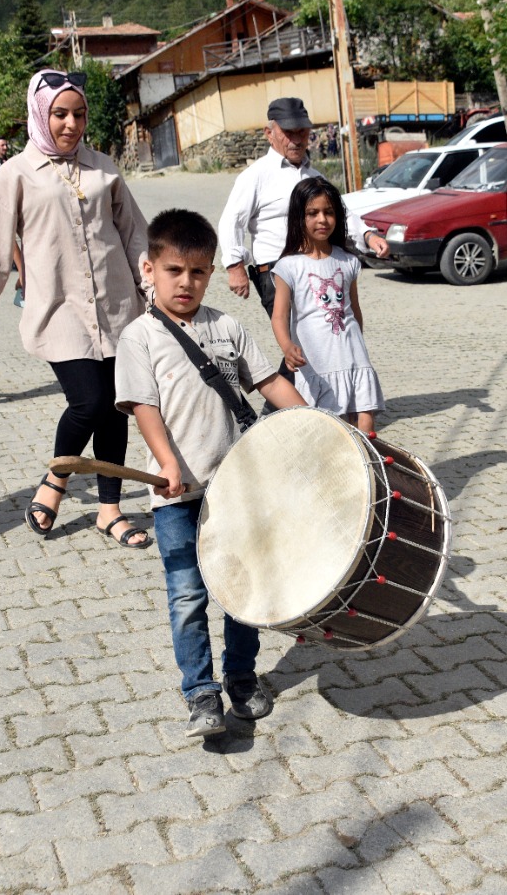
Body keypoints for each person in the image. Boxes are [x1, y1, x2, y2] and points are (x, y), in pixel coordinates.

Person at [0, 70, 154, 549]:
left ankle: (109, 510)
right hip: (60, 310)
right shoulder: (14, 175)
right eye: (60, 114)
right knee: (88, 402)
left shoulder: (103, 168)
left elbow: (134, 234)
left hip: (117, 306)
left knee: (117, 407)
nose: (71, 123)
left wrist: (155, 287)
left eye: (79, 114)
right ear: (39, 114)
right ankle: (56, 479)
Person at [114, 209, 307, 737]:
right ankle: (200, 693)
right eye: (174, 270)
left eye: (198, 272)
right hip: (176, 495)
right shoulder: (138, 338)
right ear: (147, 269)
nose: (186, 282)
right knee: (188, 594)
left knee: (242, 588)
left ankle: (241, 678)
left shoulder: (227, 326)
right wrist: (169, 462)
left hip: (238, 485)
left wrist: (316, 427)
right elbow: (145, 407)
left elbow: (269, 383)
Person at [220, 97, 388, 317]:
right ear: (269, 133)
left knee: (321, 337)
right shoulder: (255, 176)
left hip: (316, 269)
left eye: (302, 132)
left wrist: (368, 236)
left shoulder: (315, 176)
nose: (296, 140)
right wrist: (235, 267)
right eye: (288, 132)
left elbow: (342, 214)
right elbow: (231, 221)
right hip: (276, 272)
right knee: (297, 343)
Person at [271, 178, 384, 435]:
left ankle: (369, 468)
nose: (322, 219)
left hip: (353, 354)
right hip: (317, 360)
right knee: (332, 431)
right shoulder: (289, 266)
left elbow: (354, 310)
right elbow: (279, 317)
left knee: (366, 422)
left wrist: (359, 344)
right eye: (313, 213)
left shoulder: (348, 261)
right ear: (299, 217)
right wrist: (287, 347)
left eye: (329, 212)